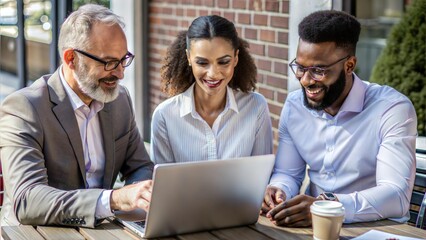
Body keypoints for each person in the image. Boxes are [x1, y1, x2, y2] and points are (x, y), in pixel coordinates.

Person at [0, 4, 154, 228]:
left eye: (123, 60)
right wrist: (113, 200)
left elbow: (140, 165)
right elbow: (27, 199)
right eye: (109, 62)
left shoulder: (119, 100)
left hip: (101, 229)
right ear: (71, 58)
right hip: (36, 231)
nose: (120, 73)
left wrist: (140, 196)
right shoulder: (24, 108)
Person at [262, 10, 417, 227]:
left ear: (349, 65)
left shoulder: (392, 109)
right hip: (314, 228)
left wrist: (326, 208)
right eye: (300, 67)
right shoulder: (294, 106)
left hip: (377, 228)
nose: (306, 80)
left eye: (318, 70)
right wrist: (279, 190)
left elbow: (396, 196)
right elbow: (287, 173)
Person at [150, 15, 273, 163]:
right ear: (189, 58)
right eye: (202, 63)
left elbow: (261, 174)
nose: (213, 74)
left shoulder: (256, 107)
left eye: (223, 62)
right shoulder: (164, 116)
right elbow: (164, 183)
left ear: (236, 58)